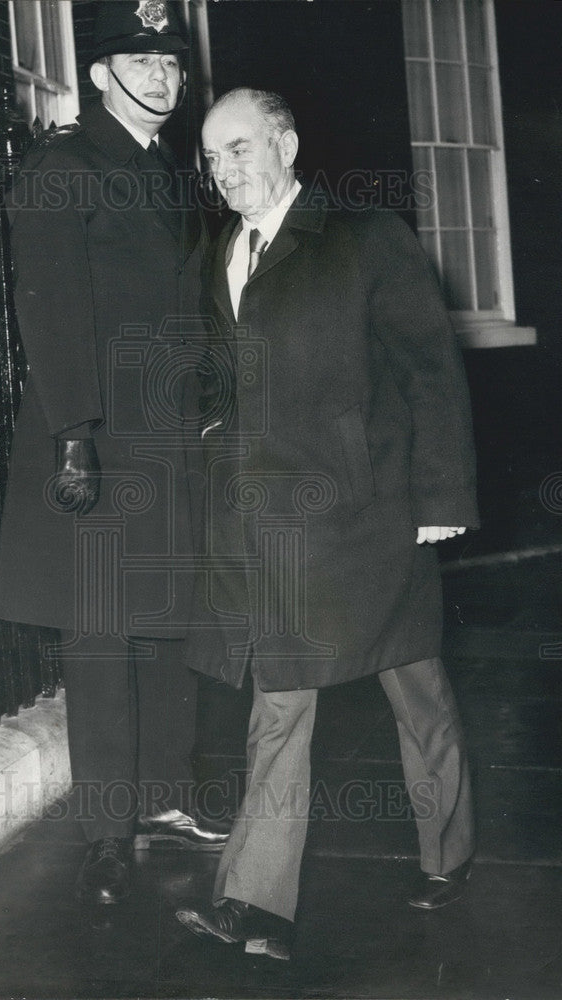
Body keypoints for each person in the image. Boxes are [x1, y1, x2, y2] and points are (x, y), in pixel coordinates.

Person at [175, 87, 478, 960]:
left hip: (372, 514)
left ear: (287, 144)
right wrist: (210, 430)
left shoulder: (365, 237)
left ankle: (448, 851)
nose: (223, 170)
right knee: (280, 704)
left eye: (239, 149)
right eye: (211, 156)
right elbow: (215, 373)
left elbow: (429, 373)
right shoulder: (221, 253)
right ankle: (256, 903)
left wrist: (441, 503)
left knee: (416, 689)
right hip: (273, 528)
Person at [0, 2, 227, 907]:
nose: (165, 77)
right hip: (92, 442)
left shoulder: (165, 170)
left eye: (172, 62)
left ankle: (165, 798)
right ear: (99, 74)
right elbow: (48, 315)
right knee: (97, 637)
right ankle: (105, 831)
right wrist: (73, 439)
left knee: (167, 626)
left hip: (169, 441)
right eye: (142, 60)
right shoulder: (64, 168)